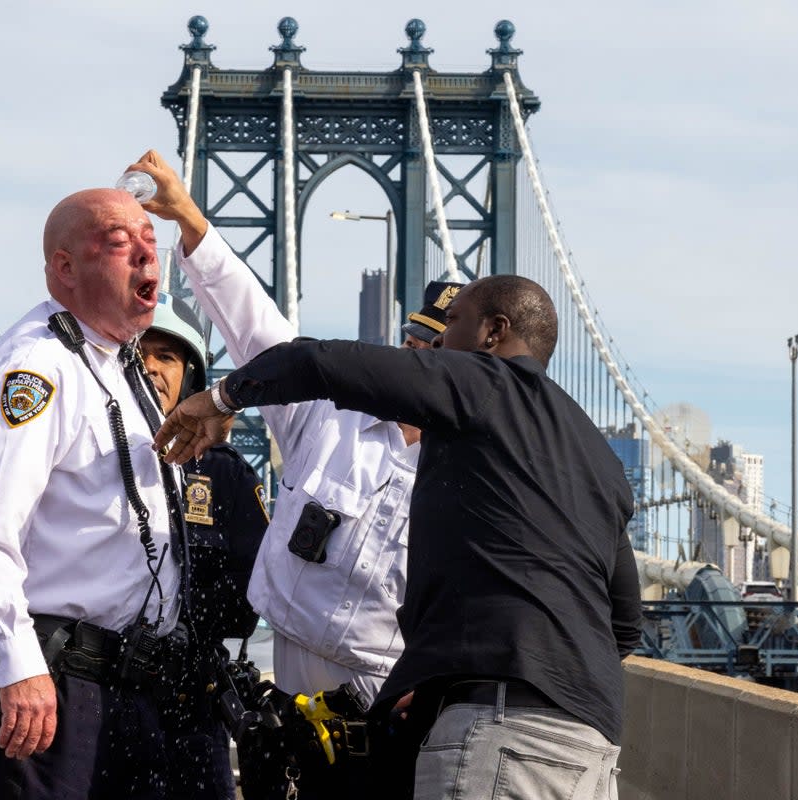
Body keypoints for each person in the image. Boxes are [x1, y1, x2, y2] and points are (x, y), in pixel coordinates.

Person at [154, 275, 644, 800]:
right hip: (591, 743)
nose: (435, 348)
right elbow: (624, 623)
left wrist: (221, 397)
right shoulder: (599, 456)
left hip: (497, 730)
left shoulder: (481, 383)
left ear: (493, 334)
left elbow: (313, 362)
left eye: (451, 326)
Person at [130, 150, 461, 798]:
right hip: (287, 723)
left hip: (395, 731)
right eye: (414, 348)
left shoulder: (470, 472)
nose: (417, 363)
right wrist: (190, 219)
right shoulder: (330, 421)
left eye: (437, 355)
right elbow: (259, 334)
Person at [0, 186, 183, 799]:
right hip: (52, 682)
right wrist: (18, 667)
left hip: (121, 682)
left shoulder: (116, 364)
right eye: (120, 244)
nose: (146, 259)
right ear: (65, 268)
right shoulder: (36, 368)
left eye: (151, 243)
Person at [140, 292, 268, 800]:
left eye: (166, 357)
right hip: (94, 691)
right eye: (138, 355)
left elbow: (253, 588)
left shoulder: (225, 474)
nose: (150, 367)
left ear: (190, 377)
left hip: (190, 698)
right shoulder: (76, 455)